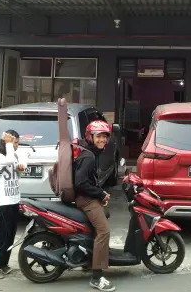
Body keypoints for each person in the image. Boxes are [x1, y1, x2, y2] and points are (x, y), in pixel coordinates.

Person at [73, 120, 114, 292]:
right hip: (85, 199)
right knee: (104, 231)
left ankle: (89, 258)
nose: (102, 140)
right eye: (98, 136)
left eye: (104, 137)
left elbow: (89, 181)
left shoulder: (90, 153)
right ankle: (97, 277)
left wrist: (101, 193)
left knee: (106, 215)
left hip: (87, 197)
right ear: (90, 137)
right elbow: (81, 183)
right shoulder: (88, 156)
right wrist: (100, 194)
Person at [0, 130, 28, 279]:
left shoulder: (14, 154)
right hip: (2, 202)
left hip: (14, 200)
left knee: (10, 235)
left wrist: (21, 169)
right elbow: (11, 158)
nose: (17, 146)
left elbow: (18, 173)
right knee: (0, 236)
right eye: (15, 143)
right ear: (6, 143)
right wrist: (9, 144)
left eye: (17, 143)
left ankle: (4, 264)